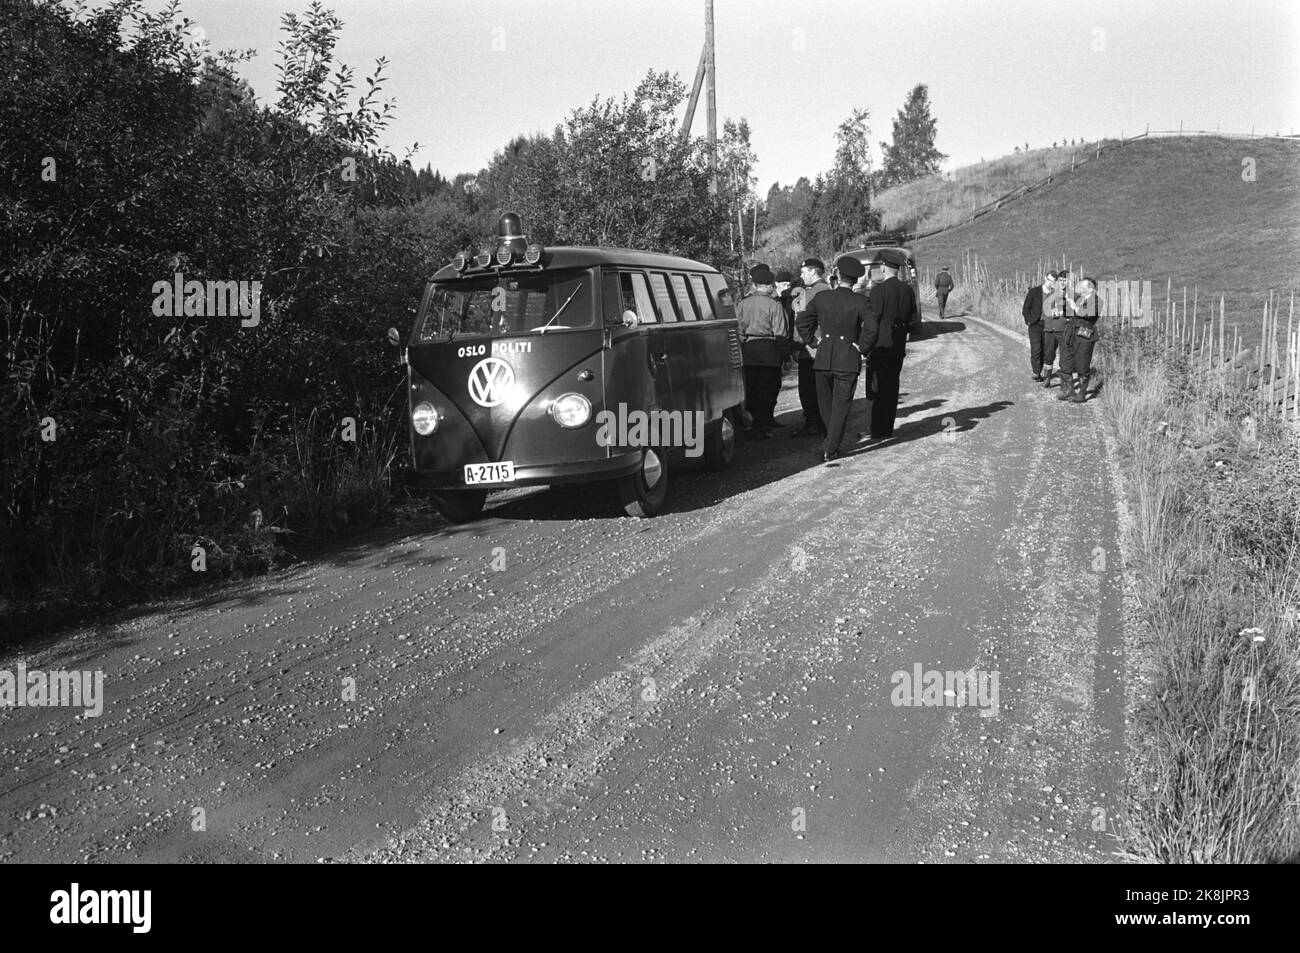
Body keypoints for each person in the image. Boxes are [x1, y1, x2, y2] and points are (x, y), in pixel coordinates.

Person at [796, 255, 871, 461]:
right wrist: (862, 347)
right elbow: (872, 329)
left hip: (823, 357)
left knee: (827, 406)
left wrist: (813, 341)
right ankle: (831, 445)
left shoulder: (822, 298)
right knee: (841, 406)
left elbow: (802, 322)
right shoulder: (862, 301)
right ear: (855, 280)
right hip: (847, 358)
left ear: (837, 275)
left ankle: (831, 443)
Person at [861, 249, 915, 440]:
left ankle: (876, 429)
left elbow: (872, 321)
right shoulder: (907, 290)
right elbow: (911, 317)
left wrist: (864, 345)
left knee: (875, 389)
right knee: (892, 386)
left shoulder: (878, 291)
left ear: (883, 268)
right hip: (897, 345)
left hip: (880, 346)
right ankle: (887, 428)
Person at [735, 264, 789, 438]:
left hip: (749, 352)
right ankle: (764, 425)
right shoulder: (774, 305)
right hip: (769, 352)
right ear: (767, 285)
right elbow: (780, 333)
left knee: (750, 390)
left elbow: (738, 332)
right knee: (767, 390)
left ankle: (749, 426)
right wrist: (785, 356)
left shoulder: (743, 304)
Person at [791, 259, 829, 437]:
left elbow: (802, 322)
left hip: (812, 349)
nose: (801, 275)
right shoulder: (825, 290)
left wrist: (802, 344)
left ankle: (813, 423)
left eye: (803, 271)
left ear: (813, 272)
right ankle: (821, 422)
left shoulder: (813, 292)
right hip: (822, 347)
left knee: (808, 389)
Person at [1058, 276, 1102, 402]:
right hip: (1070, 333)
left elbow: (1087, 315)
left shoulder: (1097, 301)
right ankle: (1068, 390)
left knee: (1082, 365)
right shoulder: (1078, 299)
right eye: (1080, 287)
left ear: (1091, 289)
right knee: (1065, 362)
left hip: (1085, 335)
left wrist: (1074, 306)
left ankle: (1081, 394)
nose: (1080, 289)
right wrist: (1066, 304)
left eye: (1083, 287)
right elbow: (1067, 314)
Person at [1021, 271, 1055, 381]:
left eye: (1053, 281)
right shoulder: (1034, 292)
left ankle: (1043, 372)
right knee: (1036, 349)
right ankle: (1036, 372)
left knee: (1046, 350)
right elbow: (1026, 308)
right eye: (1049, 280)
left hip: (1048, 325)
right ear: (1045, 278)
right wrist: (1028, 321)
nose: (1050, 283)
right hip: (1035, 325)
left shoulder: (1056, 294)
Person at [1040, 271, 1068, 387]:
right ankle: (1047, 378)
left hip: (1063, 329)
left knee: (1065, 356)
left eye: (1064, 280)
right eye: (1060, 280)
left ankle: (1064, 382)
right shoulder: (1049, 293)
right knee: (1048, 354)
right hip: (1050, 328)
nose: (1062, 283)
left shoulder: (1071, 294)